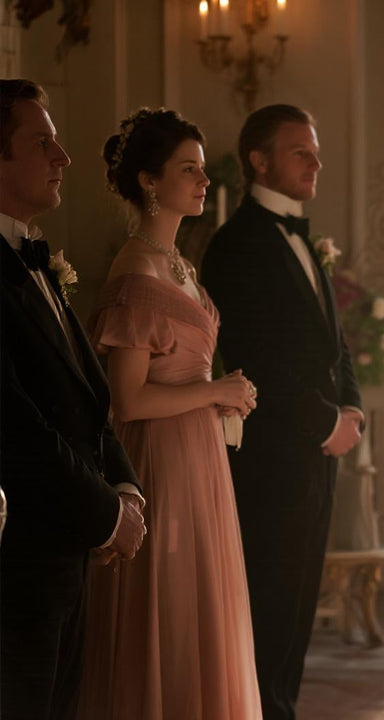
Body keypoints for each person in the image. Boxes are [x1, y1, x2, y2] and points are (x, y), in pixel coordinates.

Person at [77, 108, 261, 719]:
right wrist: (213, 392)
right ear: (149, 181)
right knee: (170, 607)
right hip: (161, 461)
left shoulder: (180, 264)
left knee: (200, 603)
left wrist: (224, 394)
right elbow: (127, 400)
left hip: (200, 456)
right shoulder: (136, 270)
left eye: (202, 169)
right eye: (189, 169)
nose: (204, 180)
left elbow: (186, 372)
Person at [201, 104, 364, 720]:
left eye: (316, 152)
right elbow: (259, 359)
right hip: (271, 463)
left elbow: (335, 342)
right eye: (301, 152)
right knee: (267, 615)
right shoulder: (236, 245)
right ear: (259, 160)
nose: (316, 162)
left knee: (297, 620)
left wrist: (352, 408)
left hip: (318, 459)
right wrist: (326, 423)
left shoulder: (303, 238)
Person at [0, 79, 146, 720]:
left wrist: (126, 488)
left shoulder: (35, 259)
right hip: (16, 560)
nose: (63, 157)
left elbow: (89, 399)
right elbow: (13, 424)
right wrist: (105, 514)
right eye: (42, 143)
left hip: (67, 554)